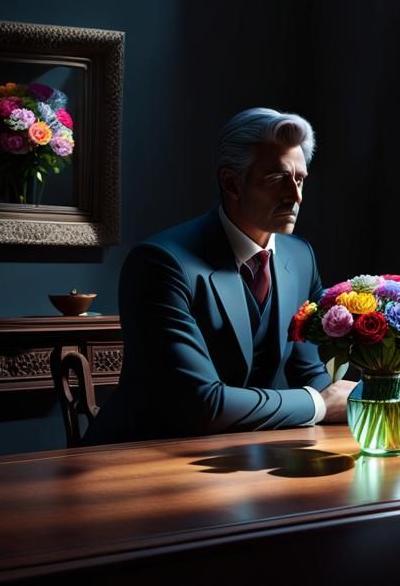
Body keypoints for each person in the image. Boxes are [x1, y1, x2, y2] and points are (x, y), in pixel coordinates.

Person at [84, 108, 354, 445]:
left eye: (299, 179)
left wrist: (360, 397)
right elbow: (202, 404)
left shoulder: (300, 257)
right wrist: (319, 404)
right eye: (277, 178)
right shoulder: (160, 263)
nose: (295, 196)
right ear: (231, 182)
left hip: (242, 454)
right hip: (140, 456)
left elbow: (311, 374)